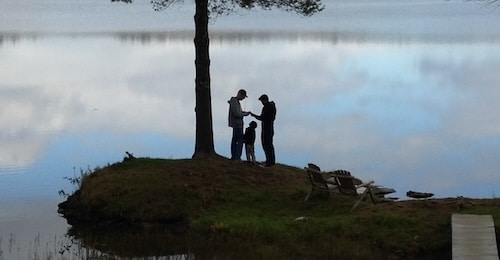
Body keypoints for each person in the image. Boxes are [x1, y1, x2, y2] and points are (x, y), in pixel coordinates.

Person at [250, 94, 276, 167]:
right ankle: (269, 160)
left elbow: (263, 118)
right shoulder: (270, 106)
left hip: (267, 129)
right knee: (268, 145)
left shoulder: (267, 107)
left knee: (267, 145)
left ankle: (270, 161)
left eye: (262, 101)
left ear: (264, 100)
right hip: (268, 128)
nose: (261, 102)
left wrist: (254, 115)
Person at [228, 89, 250, 160]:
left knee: (235, 140)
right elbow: (237, 114)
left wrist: (244, 112)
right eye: (243, 96)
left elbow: (238, 112)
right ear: (240, 94)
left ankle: (234, 156)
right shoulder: (234, 102)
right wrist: (245, 114)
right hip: (237, 125)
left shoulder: (236, 102)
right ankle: (237, 156)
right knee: (240, 140)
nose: (243, 98)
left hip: (237, 124)